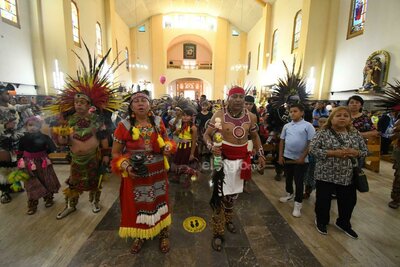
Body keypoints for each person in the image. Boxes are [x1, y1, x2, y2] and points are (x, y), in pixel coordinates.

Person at [49, 45, 120, 220]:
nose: (78, 105)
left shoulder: (97, 120)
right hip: (76, 159)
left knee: (96, 181)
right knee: (74, 182)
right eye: (76, 102)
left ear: (89, 105)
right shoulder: (67, 120)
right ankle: (70, 205)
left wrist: (105, 156)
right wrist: (63, 136)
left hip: (93, 157)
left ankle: (95, 202)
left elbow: (103, 139)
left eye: (82, 102)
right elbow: (62, 142)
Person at [203, 86, 265, 251]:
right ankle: (217, 232)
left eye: (241, 96)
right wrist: (211, 147)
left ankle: (228, 219)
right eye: (235, 96)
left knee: (233, 195)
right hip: (220, 159)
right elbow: (206, 135)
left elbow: (255, 136)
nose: (238, 99)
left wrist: (261, 155)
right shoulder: (219, 115)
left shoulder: (251, 116)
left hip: (241, 160)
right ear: (228, 98)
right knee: (219, 195)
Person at [111, 91, 172, 254]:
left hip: (158, 172)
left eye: (143, 101)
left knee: (160, 201)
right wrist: (127, 167)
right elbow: (115, 154)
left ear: (149, 105)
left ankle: (164, 233)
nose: (140, 104)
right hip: (136, 173)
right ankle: (141, 234)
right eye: (136, 101)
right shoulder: (123, 126)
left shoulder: (158, 122)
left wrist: (167, 147)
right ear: (131, 107)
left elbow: (167, 141)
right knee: (140, 204)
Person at [310, 106, 368, 238]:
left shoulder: (355, 133)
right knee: (323, 201)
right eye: (338, 115)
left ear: (349, 120)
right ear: (332, 118)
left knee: (348, 201)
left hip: (347, 175)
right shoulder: (323, 133)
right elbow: (312, 150)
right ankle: (321, 221)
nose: (342, 118)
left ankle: (344, 223)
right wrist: (332, 153)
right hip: (325, 173)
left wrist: (356, 152)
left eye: (346, 116)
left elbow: (364, 151)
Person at [278, 103, 315, 217]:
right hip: (287, 157)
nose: (292, 113)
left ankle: (298, 204)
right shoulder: (287, 126)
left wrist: (302, 157)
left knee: (299, 181)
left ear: (302, 113)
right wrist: (280, 156)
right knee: (288, 178)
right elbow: (282, 141)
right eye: (291, 111)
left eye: (295, 111)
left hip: (301, 159)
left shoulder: (308, 126)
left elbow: (310, 143)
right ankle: (289, 194)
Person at [18, 116, 60, 215]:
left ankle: (49, 198)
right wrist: (19, 162)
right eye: (30, 125)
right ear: (26, 126)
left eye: (35, 125)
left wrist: (43, 154)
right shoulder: (23, 138)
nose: (33, 127)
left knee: (46, 180)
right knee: (31, 183)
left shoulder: (45, 137)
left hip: (43, 162)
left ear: (40, 126)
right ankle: (32, 204)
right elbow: (20, 152)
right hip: (28, 163)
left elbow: (52, 148)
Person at [172, 105, 198, 187]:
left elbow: (194, 142)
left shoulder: (193, 128)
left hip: (189, 148)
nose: (185, 117)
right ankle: (177, 177)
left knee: (188, 164)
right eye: (183, 115)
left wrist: (192, 154)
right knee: (178, 162)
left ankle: (187, 180)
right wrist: (177, 131)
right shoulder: (181, 125)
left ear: (191, 117)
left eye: (187, 116)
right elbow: (175, 134)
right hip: (180, 147)